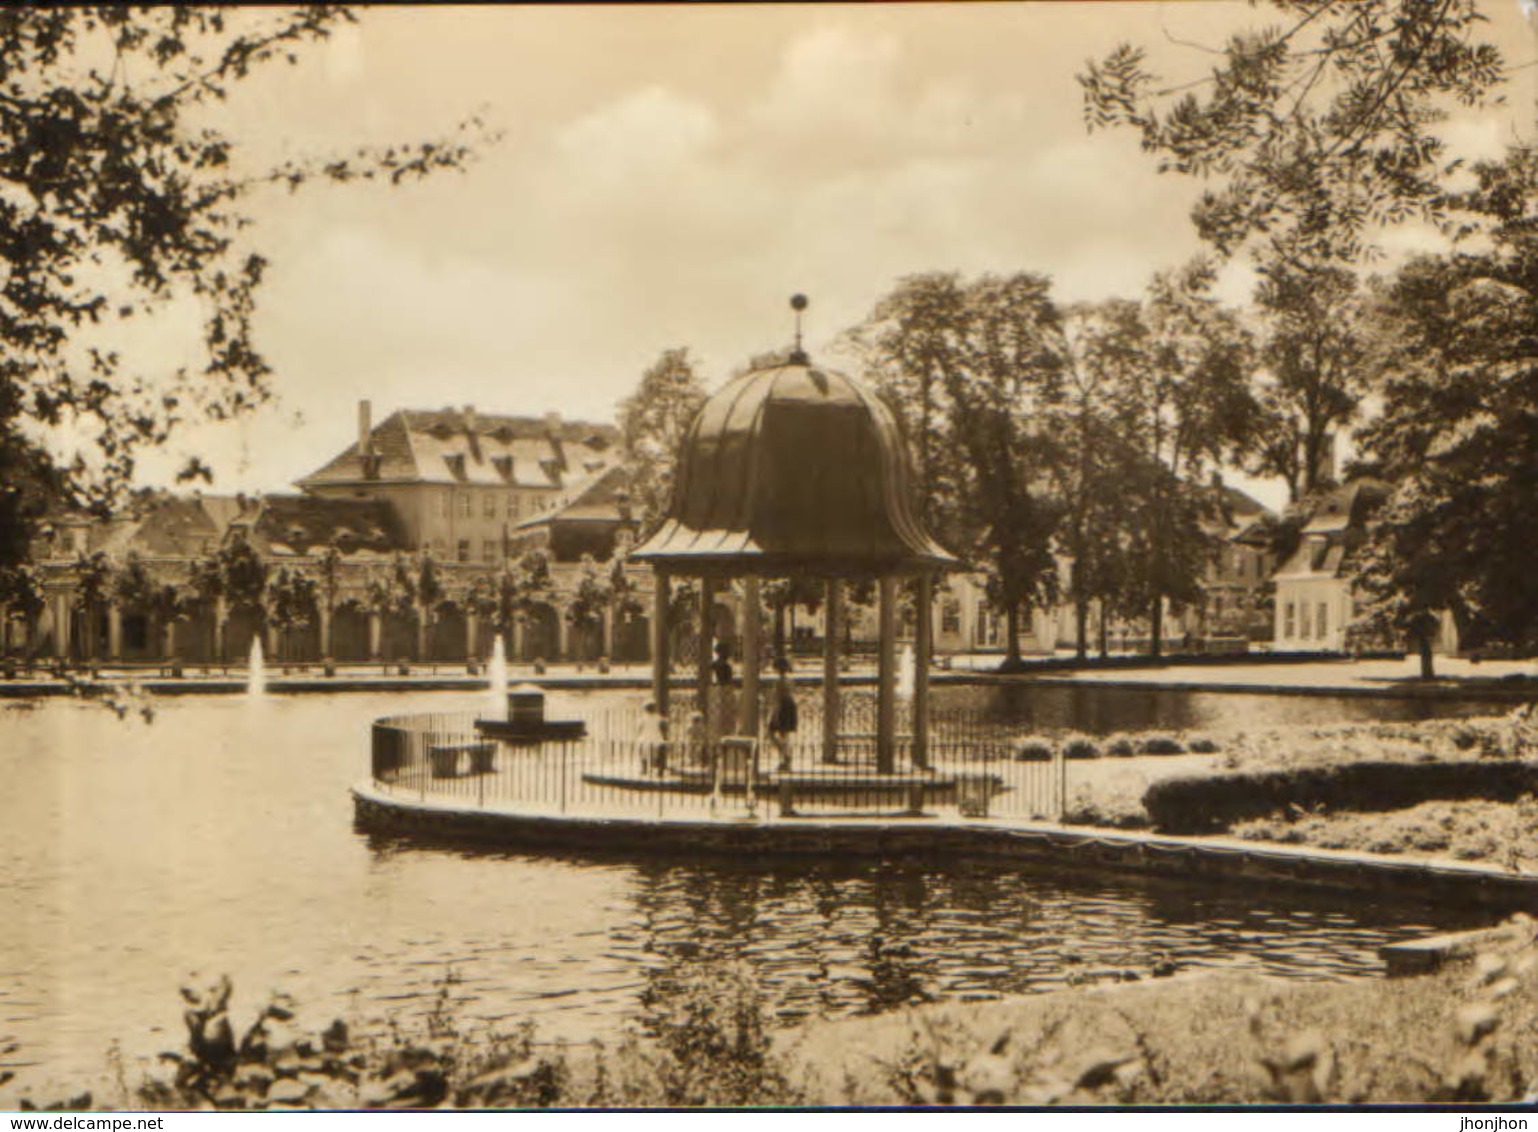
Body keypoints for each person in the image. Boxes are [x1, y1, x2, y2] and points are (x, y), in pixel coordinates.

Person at [767, 655, 798, 772]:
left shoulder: (779, 682)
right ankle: (786, 758)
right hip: (790, 706)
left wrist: (775, 714)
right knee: (784, 735)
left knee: (771, 733)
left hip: (783, 707)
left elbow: (778, 699)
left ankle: (785, 756)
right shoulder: (790, 680)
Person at [638, 701, 668, 776]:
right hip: (657, 737)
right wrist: (665, 736)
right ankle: (660, 771)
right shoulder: (659, 718)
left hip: (645, 737)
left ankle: (644, 769)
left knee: (643, 753)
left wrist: (639, 735)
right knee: (660, 754)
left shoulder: (642, 718)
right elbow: (663, 728)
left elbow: (639, 728)